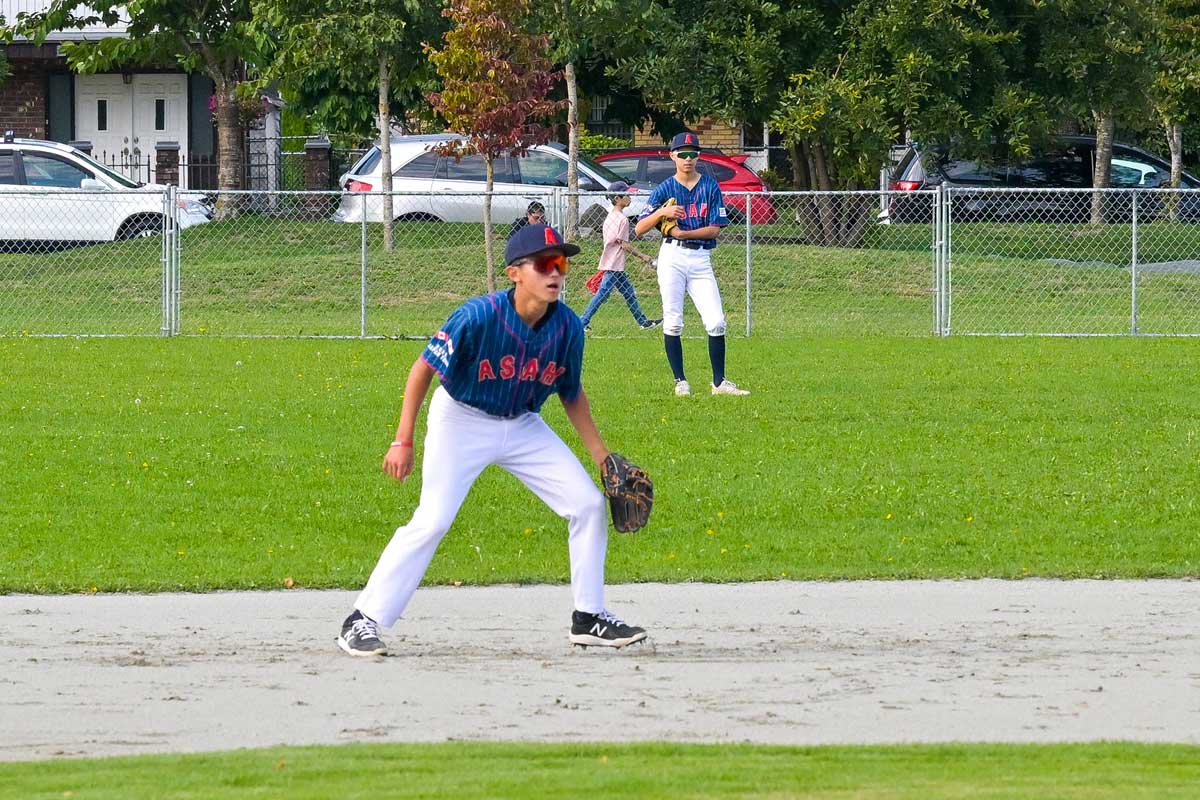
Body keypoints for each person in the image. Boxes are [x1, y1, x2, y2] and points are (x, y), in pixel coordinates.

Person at [337, 222, 649, 657]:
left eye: (561, 263)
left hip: (523, 425)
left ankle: (589, 616)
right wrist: (402, 439)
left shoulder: (568, 328)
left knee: (587, 505)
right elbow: (423, 369)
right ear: (515, 273)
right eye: (544, 264)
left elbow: (570, 391)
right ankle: (362, 619)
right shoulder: (477, 317)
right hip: (461, 419)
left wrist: (602, 456)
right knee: (433, 520)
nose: (556, 272)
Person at [634, 131, 749, 397]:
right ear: (672, 156)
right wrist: (662, 212)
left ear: (698, 156)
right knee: (673, 321)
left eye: (693, 154)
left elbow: (714, 229)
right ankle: (680, 381)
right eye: (682, 154)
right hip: (672, 257)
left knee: (717, 321)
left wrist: (683, 233)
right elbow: (639, 228)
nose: (688, 159)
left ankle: (719, 383)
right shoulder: (665, 189)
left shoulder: (709, 186)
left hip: (699, 257)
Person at [579, 181, 663, 333]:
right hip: (613, 265)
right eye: (626, 194)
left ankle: (643, 322)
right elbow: (624, 244)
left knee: (629, 293)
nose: (629, 197)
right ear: (617, 198)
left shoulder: (610, 217)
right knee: (601, 295)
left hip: (614, 264)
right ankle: (581, 322)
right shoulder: (622, 220)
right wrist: (644, 257)